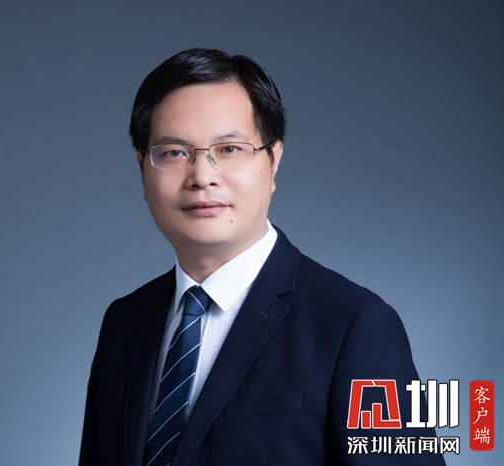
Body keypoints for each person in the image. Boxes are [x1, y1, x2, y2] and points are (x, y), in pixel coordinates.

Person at [78, 47, 446, 466]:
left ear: (274, 161)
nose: (202, 176)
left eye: (230, 149)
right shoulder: (124, 323)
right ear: (143, 167)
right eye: (175, 153)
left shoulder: (353, 325)